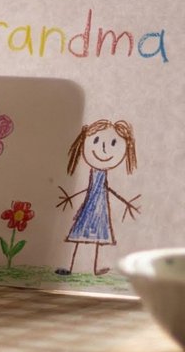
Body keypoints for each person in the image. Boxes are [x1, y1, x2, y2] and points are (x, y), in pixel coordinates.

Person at [56, 118, 142, 276]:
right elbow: (90, 189)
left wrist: (126, 202)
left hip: (100, 208)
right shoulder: (93, 173)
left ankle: (93, 268)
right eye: (95, 140)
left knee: (95, 238)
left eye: (114, 144)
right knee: (80, 234)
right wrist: (71, 197)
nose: (103, 148)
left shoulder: (102, 174)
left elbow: (106, 189)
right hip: (90, 207)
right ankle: (70, 267)